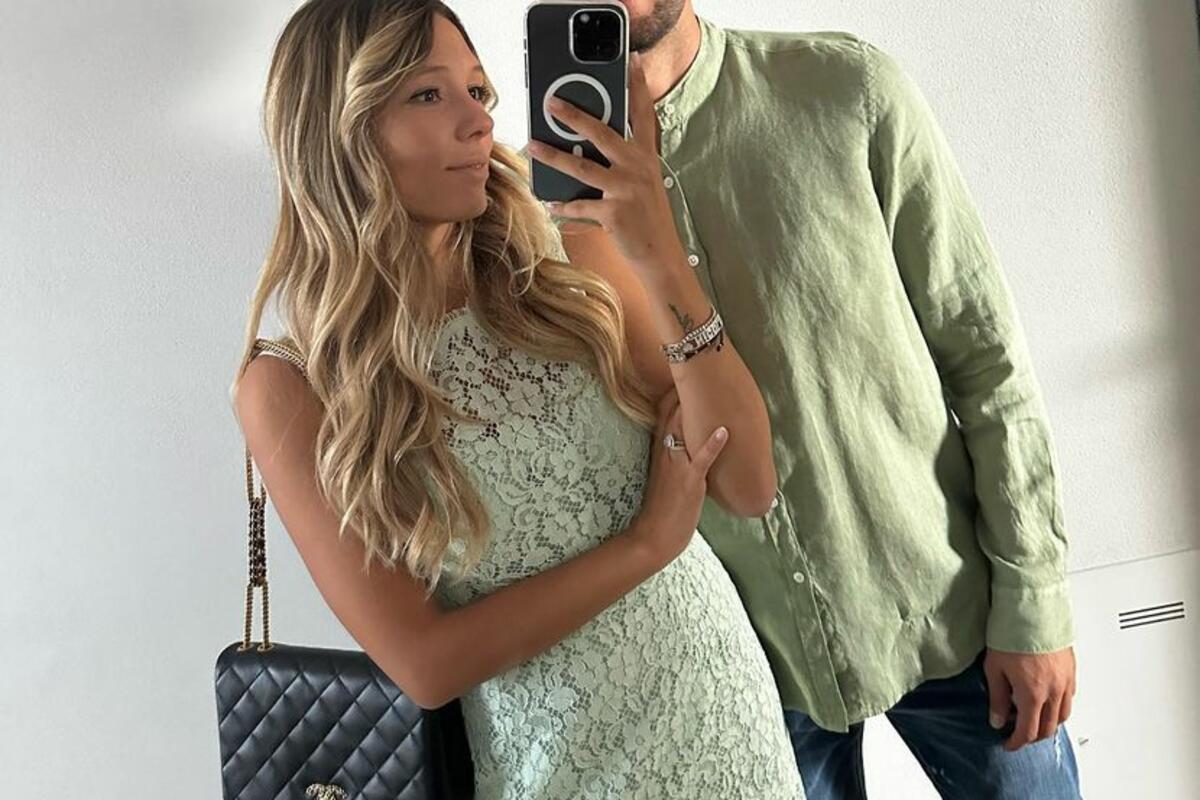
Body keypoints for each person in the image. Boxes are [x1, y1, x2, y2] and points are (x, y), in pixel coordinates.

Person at [230, 1, 806, 798]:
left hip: (722, 718)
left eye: (478, 91)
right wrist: (647, 544)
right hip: (559, 770)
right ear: (339, 128)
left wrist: (660, 253)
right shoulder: (291, 385)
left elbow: (748, 483)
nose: (478, 120)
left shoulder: (567, 252)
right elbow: (427, 663)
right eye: (428, 95)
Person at [534, 2, 1083, 798]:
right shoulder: (540, 209)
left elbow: (985, 355)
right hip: (751, 676)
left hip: (953, 615)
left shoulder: (846, 90)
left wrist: (1034, 602)